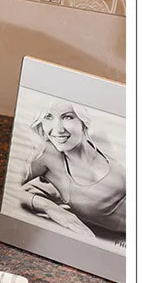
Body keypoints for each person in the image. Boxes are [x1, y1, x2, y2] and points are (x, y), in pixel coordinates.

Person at [20, 99, 125, 238]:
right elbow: (9, 189)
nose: (58, 129)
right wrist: (48, 207)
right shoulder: (47, 155)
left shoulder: (102, 140)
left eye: (67, 117)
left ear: (83, 121)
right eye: (48, 117)